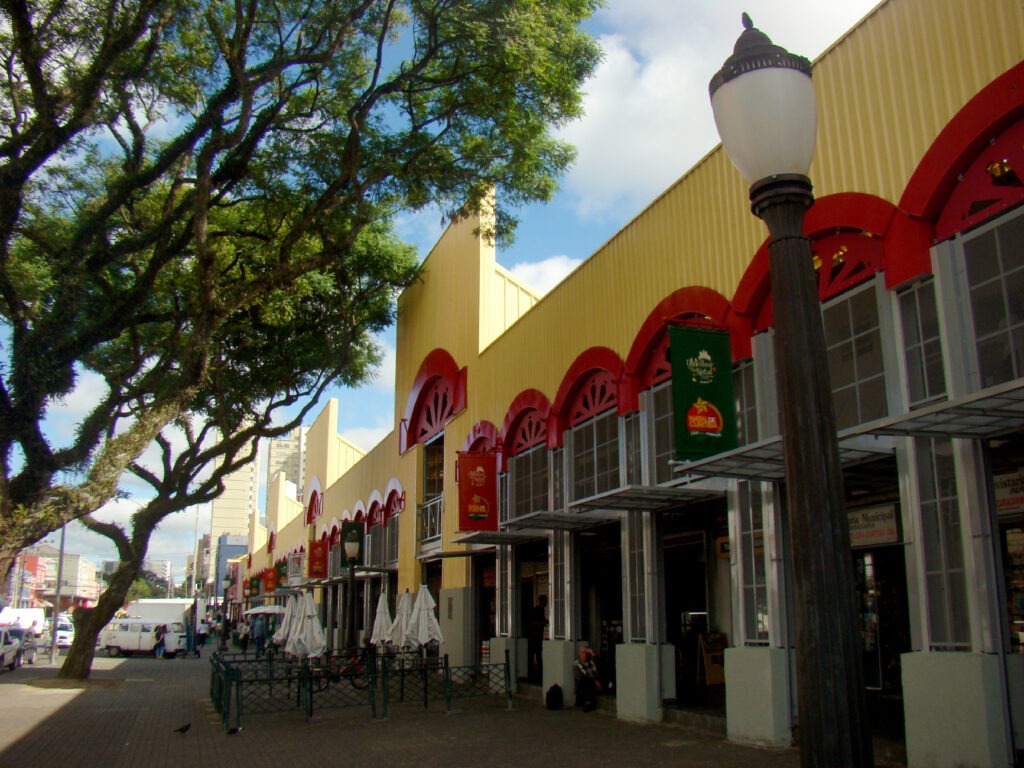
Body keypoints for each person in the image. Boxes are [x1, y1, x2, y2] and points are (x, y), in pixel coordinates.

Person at [573, 643, 602, 712]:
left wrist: (591, 652)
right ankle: (588, 702)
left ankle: (590, 702)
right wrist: (594, 681)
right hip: (584, 685)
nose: (585, 655)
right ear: (579, 654)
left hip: (595, 682)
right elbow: (579, 677)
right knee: (585, 680)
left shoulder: (591, 662)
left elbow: (599, 664)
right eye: (583, 653)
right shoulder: (577, 664)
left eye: (586, 653)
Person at [526, 594, 548, 684]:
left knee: (538, 657)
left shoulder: (541, 610)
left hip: (538, 637)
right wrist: (542, 623)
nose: (545, 604)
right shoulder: (536, 610)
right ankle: (533, 677)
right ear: (541, 602)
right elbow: (532, 623)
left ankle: (538, 677)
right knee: (533, 657)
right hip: (533, 638)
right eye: (544, 602)